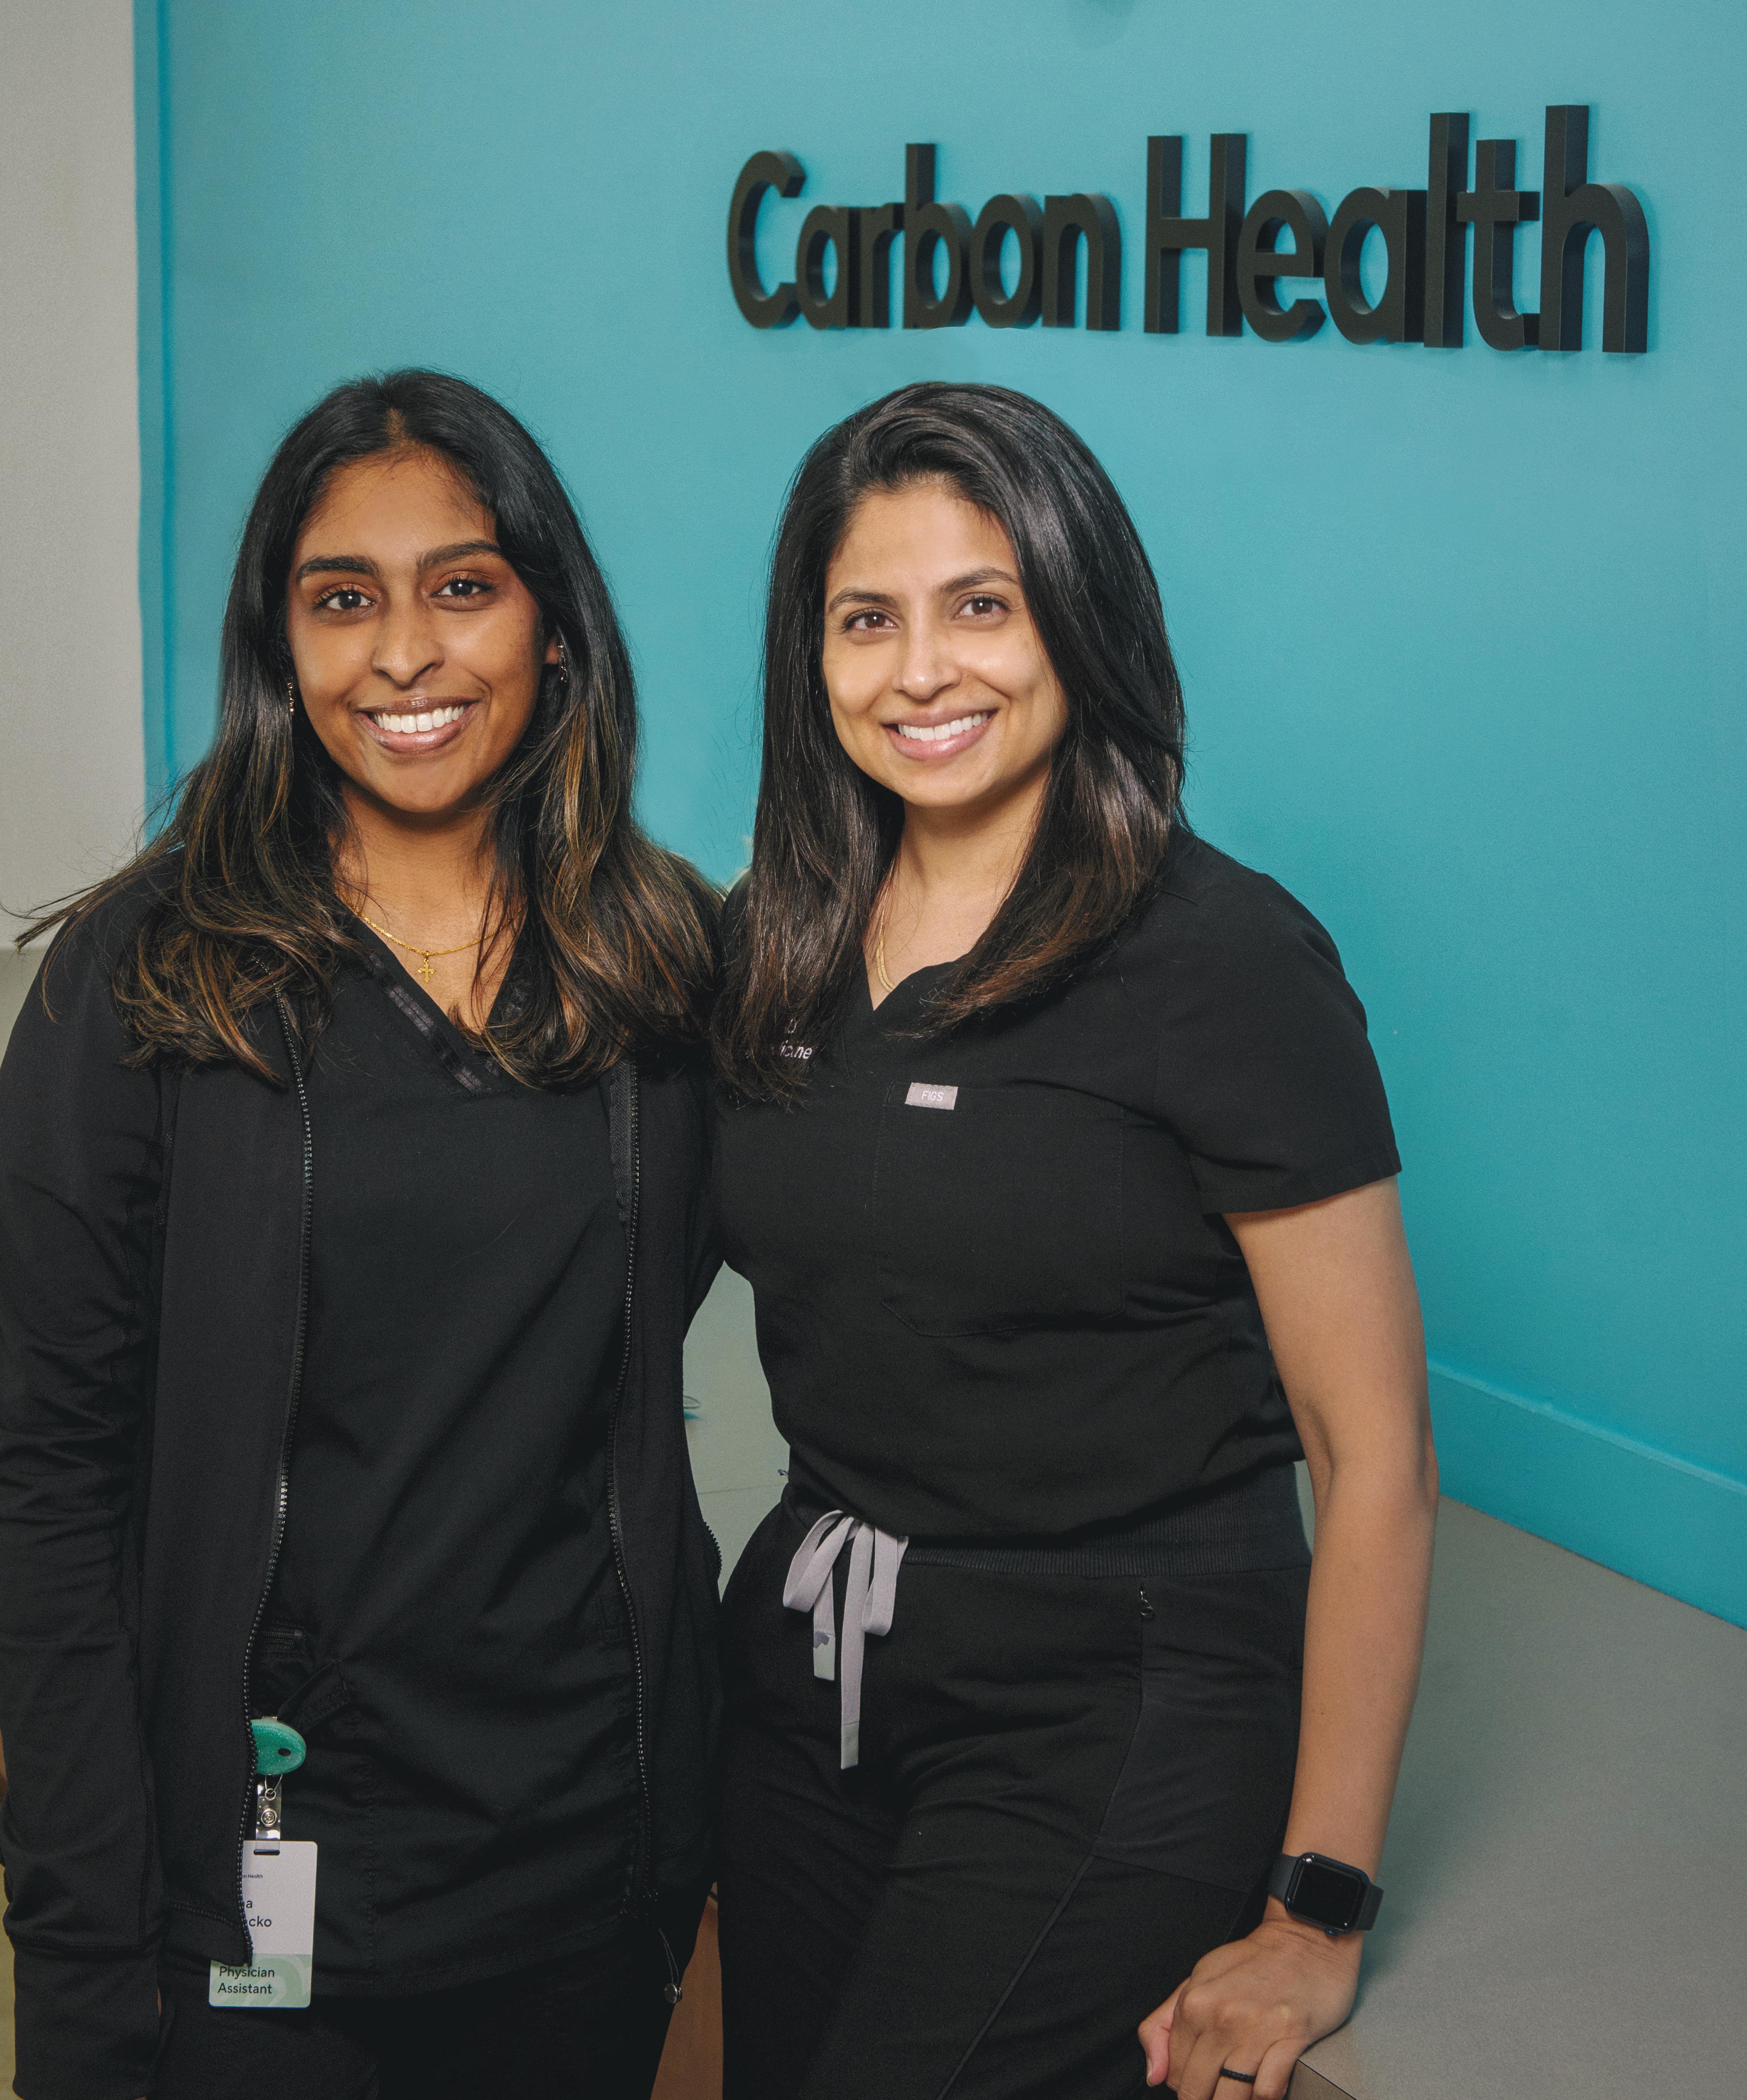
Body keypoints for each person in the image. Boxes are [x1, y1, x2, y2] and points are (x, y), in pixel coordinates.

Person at [709, 382, 1438, 2100]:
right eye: (866, 619)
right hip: (810, 1658)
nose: (920, 672)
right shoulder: (772, 938)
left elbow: (1375, 1453)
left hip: (1112, 1693)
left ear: (1079, 615)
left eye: (982, 605)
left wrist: (1316, 1907)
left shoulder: (1224, 960)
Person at [0, 370, 723, 2100]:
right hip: (254, 1884)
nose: (403, 653)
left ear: (553, 623)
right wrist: (83, 1950)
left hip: (586, 1880)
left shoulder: (661, 965)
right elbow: (43, 1487)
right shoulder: (145, 985)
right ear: (280, 642)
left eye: (462, 586)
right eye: (342, 599)